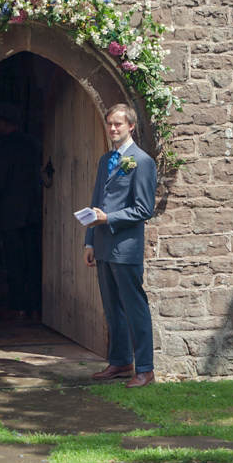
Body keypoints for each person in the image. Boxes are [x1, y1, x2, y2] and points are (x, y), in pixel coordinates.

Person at [83, 104, 158, 388]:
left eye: (118, 124)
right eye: (109, 124)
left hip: (125, 247)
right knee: (112, 308)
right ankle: (121, 361)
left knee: (134, 308)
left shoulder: (142, 161)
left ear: (131, 127)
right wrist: (89, 241)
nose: (112, 129)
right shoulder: (106, 160)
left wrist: (109, 218)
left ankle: (145, 368)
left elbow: (143, 209)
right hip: (102, 245)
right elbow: (96, 202)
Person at [0, 104, 42, 319]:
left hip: (11, 211)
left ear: (4, 123)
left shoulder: (3, 148)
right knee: (33, 258)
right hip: (33, 209)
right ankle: (36, 305)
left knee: (14, 260)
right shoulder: (34, 144)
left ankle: (18, 305)